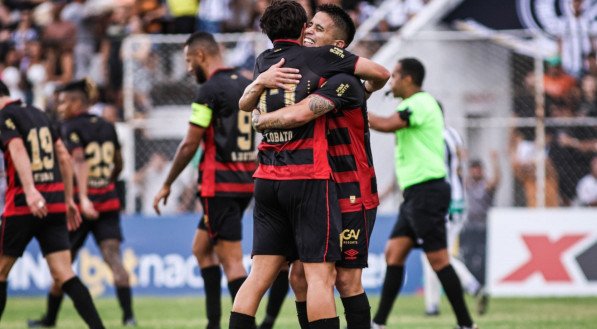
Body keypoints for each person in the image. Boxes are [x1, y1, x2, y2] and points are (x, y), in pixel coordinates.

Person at [229, 1, 389, 329]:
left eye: (319, 28)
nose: (311, 32)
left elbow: (300, 112)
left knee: (343, 280)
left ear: (338, 45)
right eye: (310, 25)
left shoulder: (343, 79)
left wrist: (260, 118)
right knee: (302, 275)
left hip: (350, 188)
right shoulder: (305, 68)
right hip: (315, 182)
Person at [153, 31, 255, 329]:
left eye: (188, 60)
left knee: (232, 262)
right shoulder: (246, 83)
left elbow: (189, 144)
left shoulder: (209, 91)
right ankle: (213, 323)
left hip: (219, 185)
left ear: (200, 56)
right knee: (201, 248)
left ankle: (243, 324)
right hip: (244, 180)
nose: (187, 68)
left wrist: (167, 182)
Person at [368, 58, 476, 329]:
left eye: (394, 76)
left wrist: (352, 109)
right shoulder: (411, 104)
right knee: (394, 253)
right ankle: (378, 323)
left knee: (438, 258)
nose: (390, 81)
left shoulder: (421, 103)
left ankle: (466, 324)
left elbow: (387, 124)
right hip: (415, 194)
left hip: (428, 191)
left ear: (407, 79)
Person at [28, 79, 135, 328]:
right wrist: (105, 180)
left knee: (62, 266)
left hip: (78, 206)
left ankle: (50, 319)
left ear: (77, 103)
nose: (60, 107)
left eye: (64, 102)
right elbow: (118, 162)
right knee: (114, 261)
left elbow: (77, 159)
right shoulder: (108, 126)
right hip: (107, 203)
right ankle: (129, 318)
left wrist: (84, 196)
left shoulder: (69, 127)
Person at [0, 79, 104, 329]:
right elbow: (65, 157)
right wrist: (69, 199)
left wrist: (30, 191)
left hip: (24, 204)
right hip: (56, 203)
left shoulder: (5, 117)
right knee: (64, 273)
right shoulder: (39, 114)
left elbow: (17, 149)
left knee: (1, 271)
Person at [422, 125, 487, 317]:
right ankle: (432, 305)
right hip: (459, 200)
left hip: (440, 201)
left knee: (434, 252)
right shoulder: (453, 133)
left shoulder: (428, 134)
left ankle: (471, 284)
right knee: (436, 252)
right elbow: (461, 160)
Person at [461, 152, 500, 290]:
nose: (476, 171)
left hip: (483, 225)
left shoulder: (485, 185)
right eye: (473, 168)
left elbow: (496, 181)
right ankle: (469, 284)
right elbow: (457, 177)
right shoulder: (467, 185)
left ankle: (482, 282)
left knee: (483, 255)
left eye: (478, 168)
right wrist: (460, 160)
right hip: (468, 225)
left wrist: (495, 162)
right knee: (467, 254)